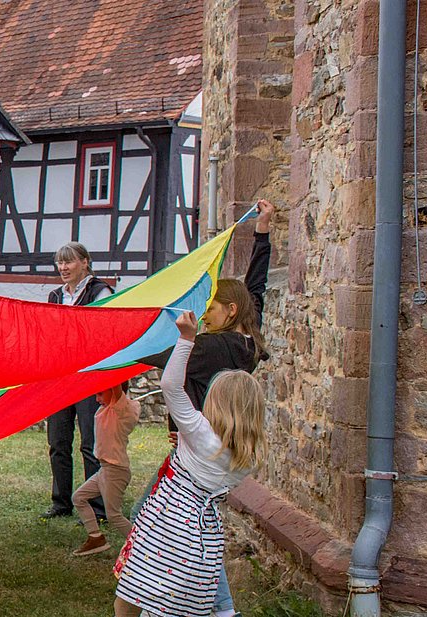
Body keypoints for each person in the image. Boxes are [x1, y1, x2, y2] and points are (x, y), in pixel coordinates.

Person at [132, 199, 275, 615]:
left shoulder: (214, 346)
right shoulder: (248, 338)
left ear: (229, 311)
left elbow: (163, 361)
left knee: (163, 522)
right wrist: (262, 235)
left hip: (199, 446)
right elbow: (257, 290)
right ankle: (198, 598)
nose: (205, 313)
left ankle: (168, 593)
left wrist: (120, 342)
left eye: (211, 305)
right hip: (210, 448)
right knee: (195, 529)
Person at [113, 312, 266, 616]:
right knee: (173, 607)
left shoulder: (199, 432)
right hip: (203, 538)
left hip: (167, 528)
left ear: (217, 402)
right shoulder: (247, 458)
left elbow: (171, 385)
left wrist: (186, 339)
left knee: (131, 599)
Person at [43, 241, 112, 520]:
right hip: (60, 378)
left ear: (85, 262)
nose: (63, 268)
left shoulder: (101, 291)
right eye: (59, 262)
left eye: (68, 262)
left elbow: (103, 333)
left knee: (90, 444)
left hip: (89, 378)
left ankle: (97, 506)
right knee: (58, 442)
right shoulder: (56, 296)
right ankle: (61, 502)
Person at [70, 383, 140, 556]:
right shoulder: (108, 410)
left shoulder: (122, 409)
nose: (97, 399)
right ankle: (96, 538)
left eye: (100, 394)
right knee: (79, 497)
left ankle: (142, 547)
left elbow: (116, 382)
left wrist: (112, 370)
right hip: (104, 469)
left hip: (116, 471)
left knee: (114, 515)